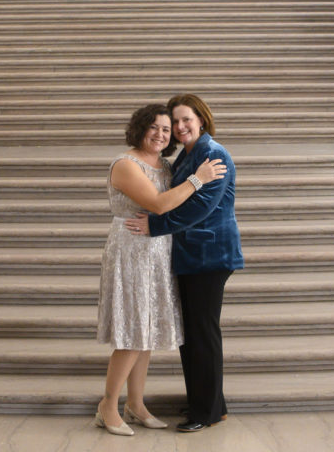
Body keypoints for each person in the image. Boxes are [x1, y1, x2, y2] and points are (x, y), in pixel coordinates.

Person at [96, 103, 226, 436]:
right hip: (131, 249)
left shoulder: (167, 164)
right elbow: (157, 204)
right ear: (140, 128)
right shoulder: (126, 164)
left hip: (157, 250)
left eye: (166, 129)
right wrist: (199, 179)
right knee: (131, 332)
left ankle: (135, 405)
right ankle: (107, 407)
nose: (160, 134)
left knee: (147, 331)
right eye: (153, 127)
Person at [126, 93, 242, 434]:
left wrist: (155, 225)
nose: (179, 127)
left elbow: (200, 207)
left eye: (185, 120)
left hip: (211, 256)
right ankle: (208, 403)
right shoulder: (189, 156)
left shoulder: (213, 154)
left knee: (203, 334)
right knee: (192, 334)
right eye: (175, 122)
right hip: (191, 256)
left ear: (201, 119)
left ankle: (205, 412)